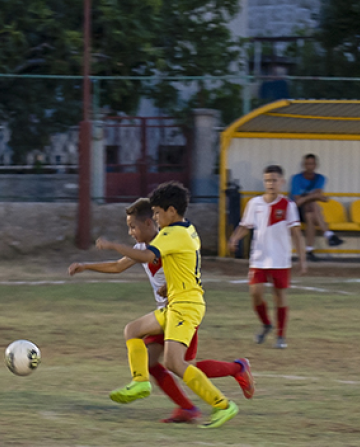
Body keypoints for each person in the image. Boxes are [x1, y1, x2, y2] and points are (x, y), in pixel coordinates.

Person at [73, 198, 255, 423]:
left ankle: (236, 370)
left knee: (182, 365)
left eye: (133, 227)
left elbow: (187, 270)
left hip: (182, 310)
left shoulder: (170, 241)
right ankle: (183, 406)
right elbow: (118, 266)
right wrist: (86, 266)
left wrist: (170, 286)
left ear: (149, 223)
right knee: (150, 359)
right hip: (166, 312)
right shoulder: (143, 248)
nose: (130, 232)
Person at [228, 165, 308, 350]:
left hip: (280, 259)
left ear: (282, 182)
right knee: (255, 294)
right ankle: (266, 323)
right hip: (259, 257)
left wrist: (302, 259)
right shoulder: (254, 203)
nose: (270, 184)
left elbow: (296, 234)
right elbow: (245, 225)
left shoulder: (288, 205)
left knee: (279, 296)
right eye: (267, 180)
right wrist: (234, 239)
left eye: (274, 180)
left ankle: (281, 335)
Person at [290, 153, 342, 260]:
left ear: (316, 165)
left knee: (310, 215)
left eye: (311, 164)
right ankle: (328, 234)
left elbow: (316, 194)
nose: (309, 166)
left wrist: (308, 197)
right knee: (313, 203)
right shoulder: (296, 178)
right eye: (307, 164)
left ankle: (309, 250)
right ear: (304, 165)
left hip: (309, 210)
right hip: (295, 210)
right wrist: (314, 197)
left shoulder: (320, 178)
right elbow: (298, 201)